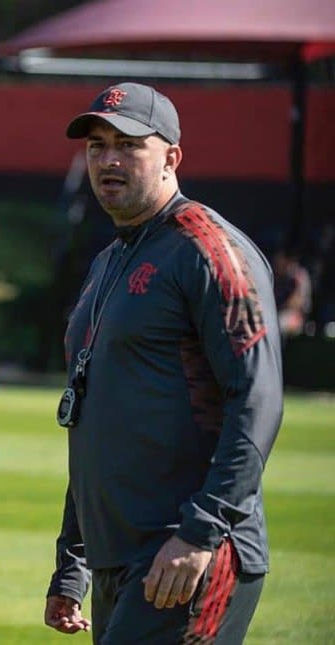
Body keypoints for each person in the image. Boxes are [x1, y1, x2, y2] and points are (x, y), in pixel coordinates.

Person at [44, 83, 283, 644]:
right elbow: (90, 411)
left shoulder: (207, 249)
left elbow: (258, 400)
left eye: (128, 145)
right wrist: (73, 560)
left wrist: (199, 535)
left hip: (187, 554)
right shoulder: (108, 260)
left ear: (172, 157)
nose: (108, 159)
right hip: (121, 559)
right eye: (97, 146)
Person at [272, 248, 312, 337]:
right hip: (279, 313)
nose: (277, 264)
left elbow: (295, 304)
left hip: (297, 317)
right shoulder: (278, 277)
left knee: (278, 323)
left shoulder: (299, 276)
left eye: (280, 260)